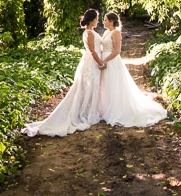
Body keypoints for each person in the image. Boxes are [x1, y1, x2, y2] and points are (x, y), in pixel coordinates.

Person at [22, 8, 105, 136]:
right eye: (96, 19)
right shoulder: (88, 33)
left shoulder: (91, 32)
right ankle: (86, 112)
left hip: (93, 61)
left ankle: (92, 110)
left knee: (93, 87)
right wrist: (100, 63)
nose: (97, 21)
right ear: (91, 20)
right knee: (89, 87)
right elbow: (93, 51)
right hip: (92, 62)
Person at [98, 12, 168, 128]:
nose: (103, 22)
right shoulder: (106, 32)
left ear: (111, 21)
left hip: (112, 61)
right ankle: (106, 108)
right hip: (104, 60)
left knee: (114, 84)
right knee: (106, 85)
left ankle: (117, 110)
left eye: (105, 20)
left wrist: (105, 60)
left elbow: (117, 51)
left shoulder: (115, 33)